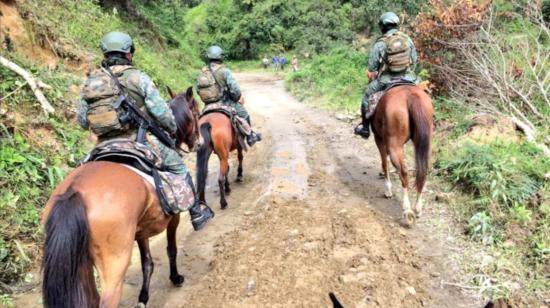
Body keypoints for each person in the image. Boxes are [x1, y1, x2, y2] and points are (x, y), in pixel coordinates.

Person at [77, 31, 213, 231]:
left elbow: (82, 120)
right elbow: (161, 113)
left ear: (105, 54)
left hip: (103, 144)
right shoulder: (137, 78)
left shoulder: (91, 82)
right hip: (138, 138)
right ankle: (196, 214)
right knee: (179, 168)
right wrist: (172, 128)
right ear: (129, 54)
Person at [354, 12, 419, 139]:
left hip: (385, 80)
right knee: (424, 93)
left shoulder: (380, 43)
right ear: (396, 24)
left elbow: (372, 68)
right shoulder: (407, 39)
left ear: (383, 26)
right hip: (409, 78)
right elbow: (415, 60)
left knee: (367, 97)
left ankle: (365, 128)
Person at [198, 46, 262, 146]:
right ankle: (250, 136)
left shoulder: (203, 72)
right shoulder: (224, 71)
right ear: (221, 57)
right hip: (225, 102)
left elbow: (198, 90)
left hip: (208, 105)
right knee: (244, 114)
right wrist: (235, 99)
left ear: (208, 57)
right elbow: (236, 90)